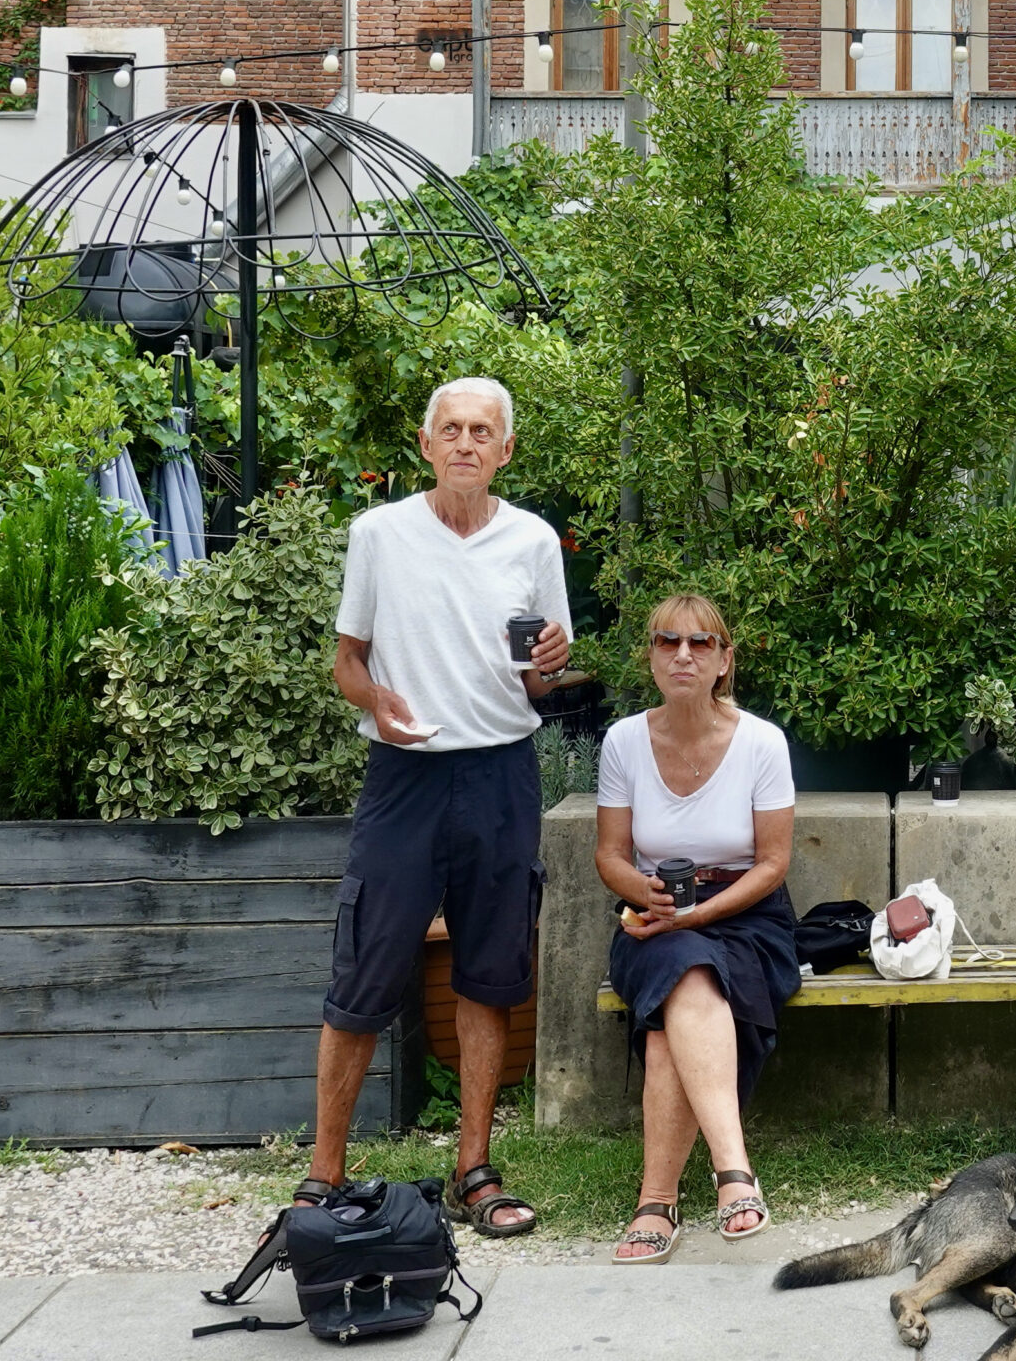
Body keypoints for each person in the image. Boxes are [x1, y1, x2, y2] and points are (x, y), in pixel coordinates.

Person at [310, 376, 570, 1239]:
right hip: (404, 777)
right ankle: (322, 1176)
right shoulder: (378, 534)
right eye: (450, 429)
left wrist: (553, 663)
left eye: (482, 431)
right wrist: (375, 700)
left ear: (505, 450)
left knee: (489, 975)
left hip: (501, 774)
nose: (465, 442)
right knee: (363, 975)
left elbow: (540, 675)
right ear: (426, 445)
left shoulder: (532, 541)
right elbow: (348, 659)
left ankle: (474, 1169)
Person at [597, 593, 800, 1264]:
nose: (683, 654)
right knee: (681, 968)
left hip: (747, 917)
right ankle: (732, 1174)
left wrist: (698, 914)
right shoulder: (625, 740)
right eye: (667, 642)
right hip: (652, 918)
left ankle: (657, 1203)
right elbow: (610, 856)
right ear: (652, 657)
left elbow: (772, 864)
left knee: (673, 1009)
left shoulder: (761, 742)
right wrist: (649, 898)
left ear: (723, 661)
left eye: (701, 644)